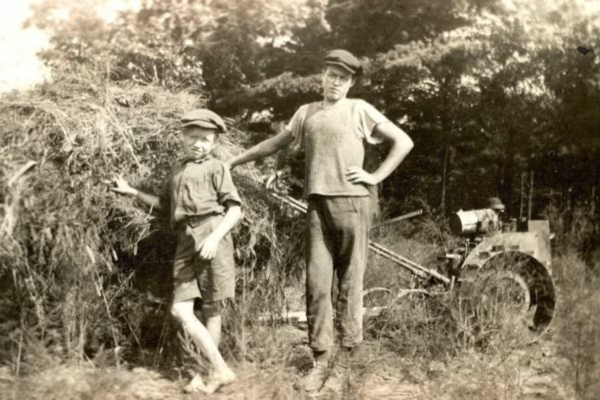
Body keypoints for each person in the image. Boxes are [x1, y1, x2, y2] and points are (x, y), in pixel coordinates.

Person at [227, 49, 414, 392]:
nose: (335, 82)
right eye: (330, 75)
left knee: (350, 284)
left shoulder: (359, 109)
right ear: (322, 76)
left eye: (343, 78)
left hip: (354, 204)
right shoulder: (306, 112)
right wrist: (233, 162)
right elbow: (273, 144)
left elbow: (404, 141)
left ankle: (346, 362)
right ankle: (321, 360)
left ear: (350, 82)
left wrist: (374, 176)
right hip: (316, 206)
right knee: (316, 285)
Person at [110, 109, 241, 394]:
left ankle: (205, 372)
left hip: (212, 233)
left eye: (205, 139)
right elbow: (163, 205)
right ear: (183, 138)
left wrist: (215, 238)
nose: (198, 144)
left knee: (211, 308)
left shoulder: (217, 168)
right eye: (193, 137)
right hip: (186, 240)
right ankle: (219, 368)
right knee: (181, 309)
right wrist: (132, 192)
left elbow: (235, 210)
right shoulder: (177, 171)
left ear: (214, 142)